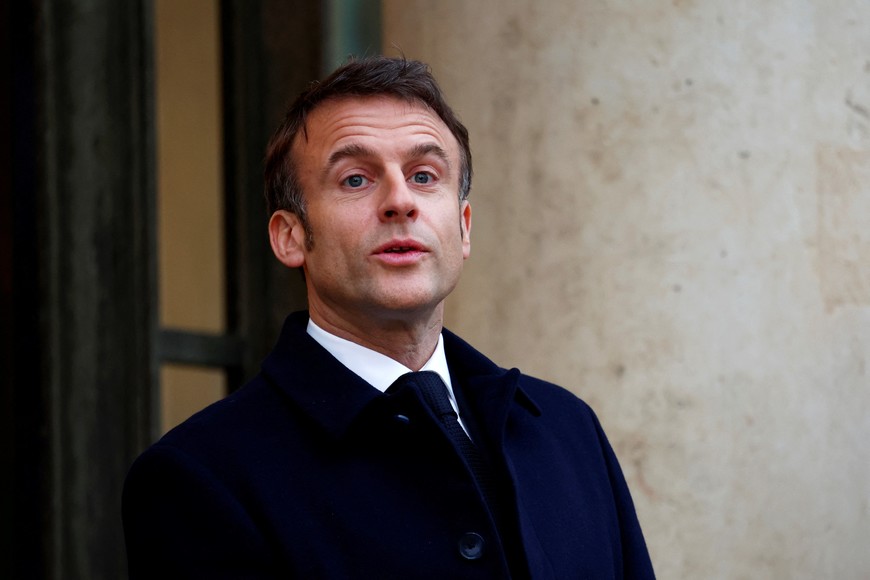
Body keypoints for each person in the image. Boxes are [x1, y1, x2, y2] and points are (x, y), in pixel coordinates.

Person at [122, 56, 655, 579]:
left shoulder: (568, 429)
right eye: (356, 179)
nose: (400, 201)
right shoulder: (201, 477)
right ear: (290, 236)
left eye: (425, 175)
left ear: (463, 227)